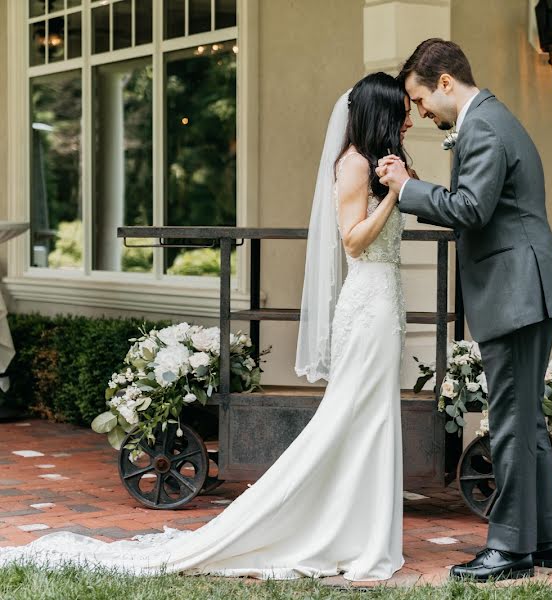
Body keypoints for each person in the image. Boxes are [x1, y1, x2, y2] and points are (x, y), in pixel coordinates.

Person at [0, 72, 414, 582]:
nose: (409, 117)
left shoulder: (382, 167)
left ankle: (367, 533)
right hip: (366, 306)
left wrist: (398, 184)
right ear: (380, 114)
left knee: (375, 418)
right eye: (402, 110)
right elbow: (352, 242)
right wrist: (395, 195)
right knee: (353, 418)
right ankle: (324, 529)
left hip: (386, 305)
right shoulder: (354, 165)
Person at [377, 38, 552, 582]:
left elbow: (472, 209)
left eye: (420, 101)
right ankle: (547, 541)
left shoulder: (482, 125)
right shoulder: (495, 118)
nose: (420, 113)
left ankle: (509, 550)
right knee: (526, 419)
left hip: (515, 290)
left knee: (510, 422)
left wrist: (408, 187)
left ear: (444, 82)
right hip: (527, 287)